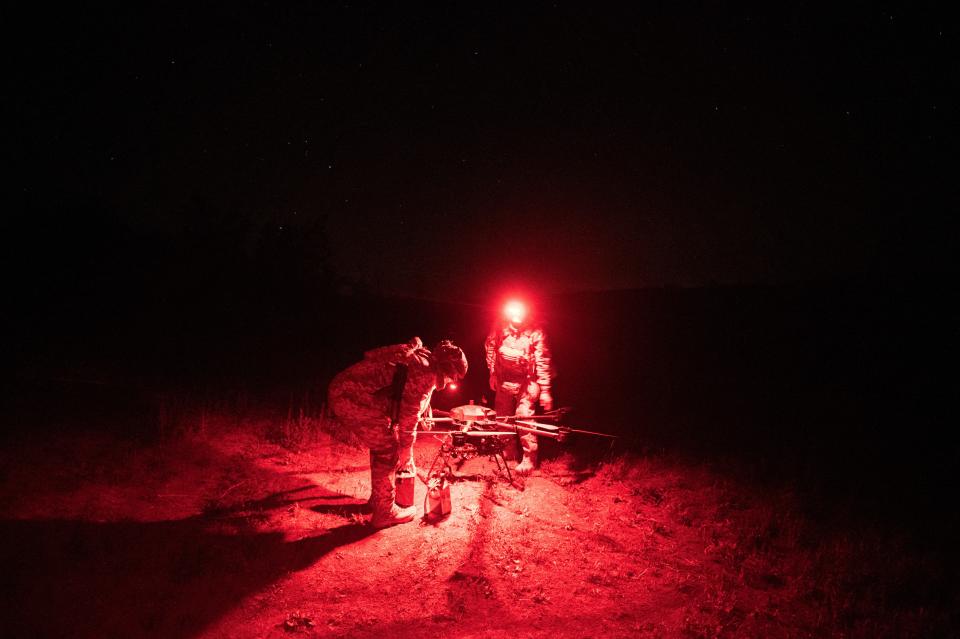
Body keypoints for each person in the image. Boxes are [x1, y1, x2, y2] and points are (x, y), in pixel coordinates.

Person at [326, 337, 468, 528]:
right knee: (388, 448)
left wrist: (425, 409)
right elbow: (408, 419)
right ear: (446, 369)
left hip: (349, 391)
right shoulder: (425, 372)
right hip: (351, 397)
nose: (452, 380)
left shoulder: (424, 361)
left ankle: (380, 500)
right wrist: (407, 453)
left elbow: (411, 396)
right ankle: (384, 512)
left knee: (382, 444)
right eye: (454, 375)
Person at [484, 300, 553, 475]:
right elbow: (491, 348)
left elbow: (543, 359)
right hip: (504, 380)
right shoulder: (499, 328)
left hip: (526, 383)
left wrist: (545, 390)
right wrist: (492, 373)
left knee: (525, 419)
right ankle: (508, 451)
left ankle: (529, 458)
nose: (516, 316)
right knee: (503, 417)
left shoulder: (535, 332)